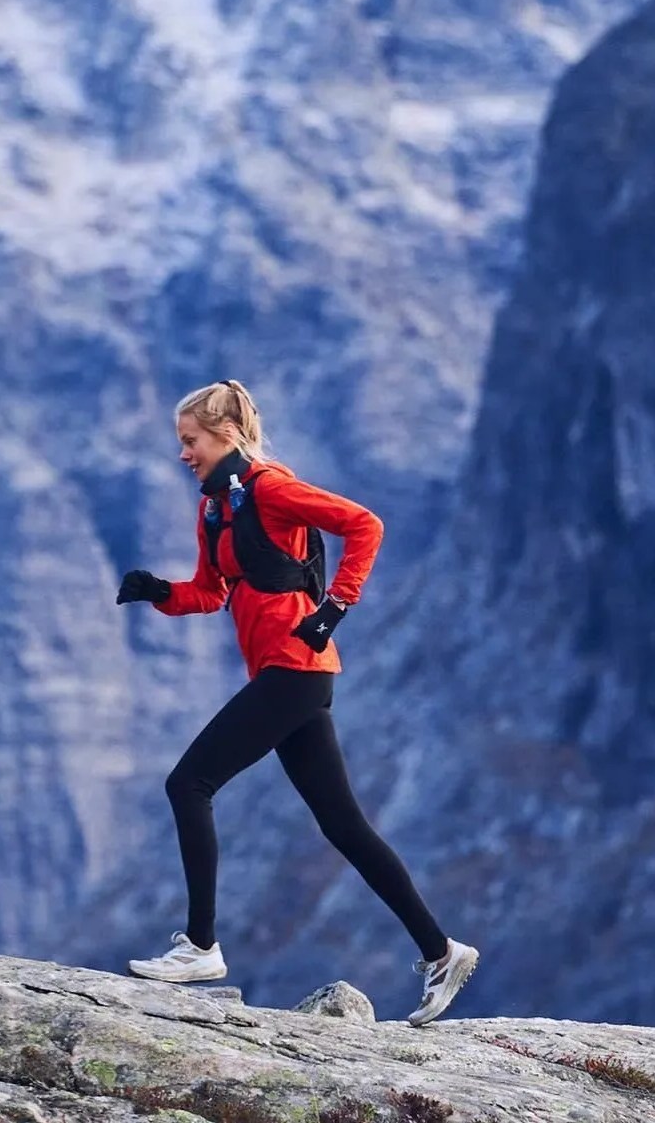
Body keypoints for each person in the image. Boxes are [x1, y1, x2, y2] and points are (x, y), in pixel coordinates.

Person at [115, 378, 477, 1027]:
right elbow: (209, 589)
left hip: (296, 668)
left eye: (189, 440)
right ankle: (441, 951)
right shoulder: (214, 508)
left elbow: (363, 524)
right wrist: (158, 591)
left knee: (187, 782)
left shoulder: (271, 488)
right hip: (286, 673)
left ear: (224, 433)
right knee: (342, 824)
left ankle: (199, 946)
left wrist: (333, 607)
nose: (182, 454)